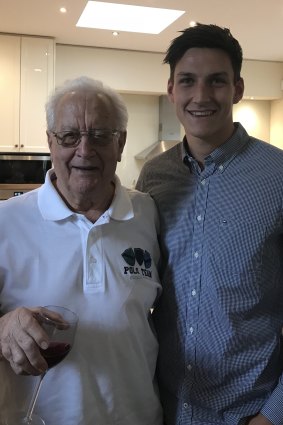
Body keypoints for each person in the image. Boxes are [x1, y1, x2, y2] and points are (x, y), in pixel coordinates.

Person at [136, 23, 283, 425]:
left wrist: (274, 415)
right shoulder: (153, 178)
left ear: (236, 88)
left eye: (216, 82)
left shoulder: (278, 176)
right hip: (161, 408)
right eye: (187, 81)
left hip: (247, 413)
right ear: (171, 90)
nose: (201, 96)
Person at [0, 76, 163, 425]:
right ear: (50, 142)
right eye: (69, 136)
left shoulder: (149, 214)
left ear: (120, 144)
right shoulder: (5, 222)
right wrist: (3, 328)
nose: (85, 151)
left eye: (101, 136)